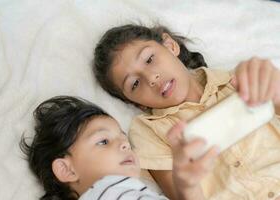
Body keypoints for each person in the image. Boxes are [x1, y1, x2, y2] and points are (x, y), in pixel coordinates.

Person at [93, 24, 280, 200]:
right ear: (135, 103)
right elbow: (180, 195)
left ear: (170, 46)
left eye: (149, 59)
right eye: (134, 84)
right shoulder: (148, 131)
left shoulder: (239, 80)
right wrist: (186, 183)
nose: (151, 78)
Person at [20, 96, 211, 200]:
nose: (125, 144)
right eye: (103, 141)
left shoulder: (125, 190)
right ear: (67, 169)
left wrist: (188, 185)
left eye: (124, 137)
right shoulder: (108, 191)